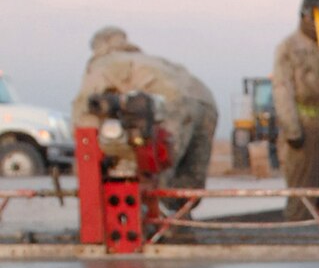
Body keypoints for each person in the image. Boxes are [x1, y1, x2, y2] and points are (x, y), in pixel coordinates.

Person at [73, 28, 219, 191]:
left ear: (98, 45)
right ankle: (182, 207)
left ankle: (154, 202)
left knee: (154, 177)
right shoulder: (151, 60)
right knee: (187, 187)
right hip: (205, 101)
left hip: (172, 103)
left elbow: (87, 108)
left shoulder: (104, 62)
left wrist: (85, 155)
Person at [271, 0, 319, 219]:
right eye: (313, 16)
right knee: (302, 192)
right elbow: (282, 89)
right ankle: (298, 233)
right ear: (303, 16)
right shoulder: (288, 47)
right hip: (302, 125)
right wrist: (292, 129)